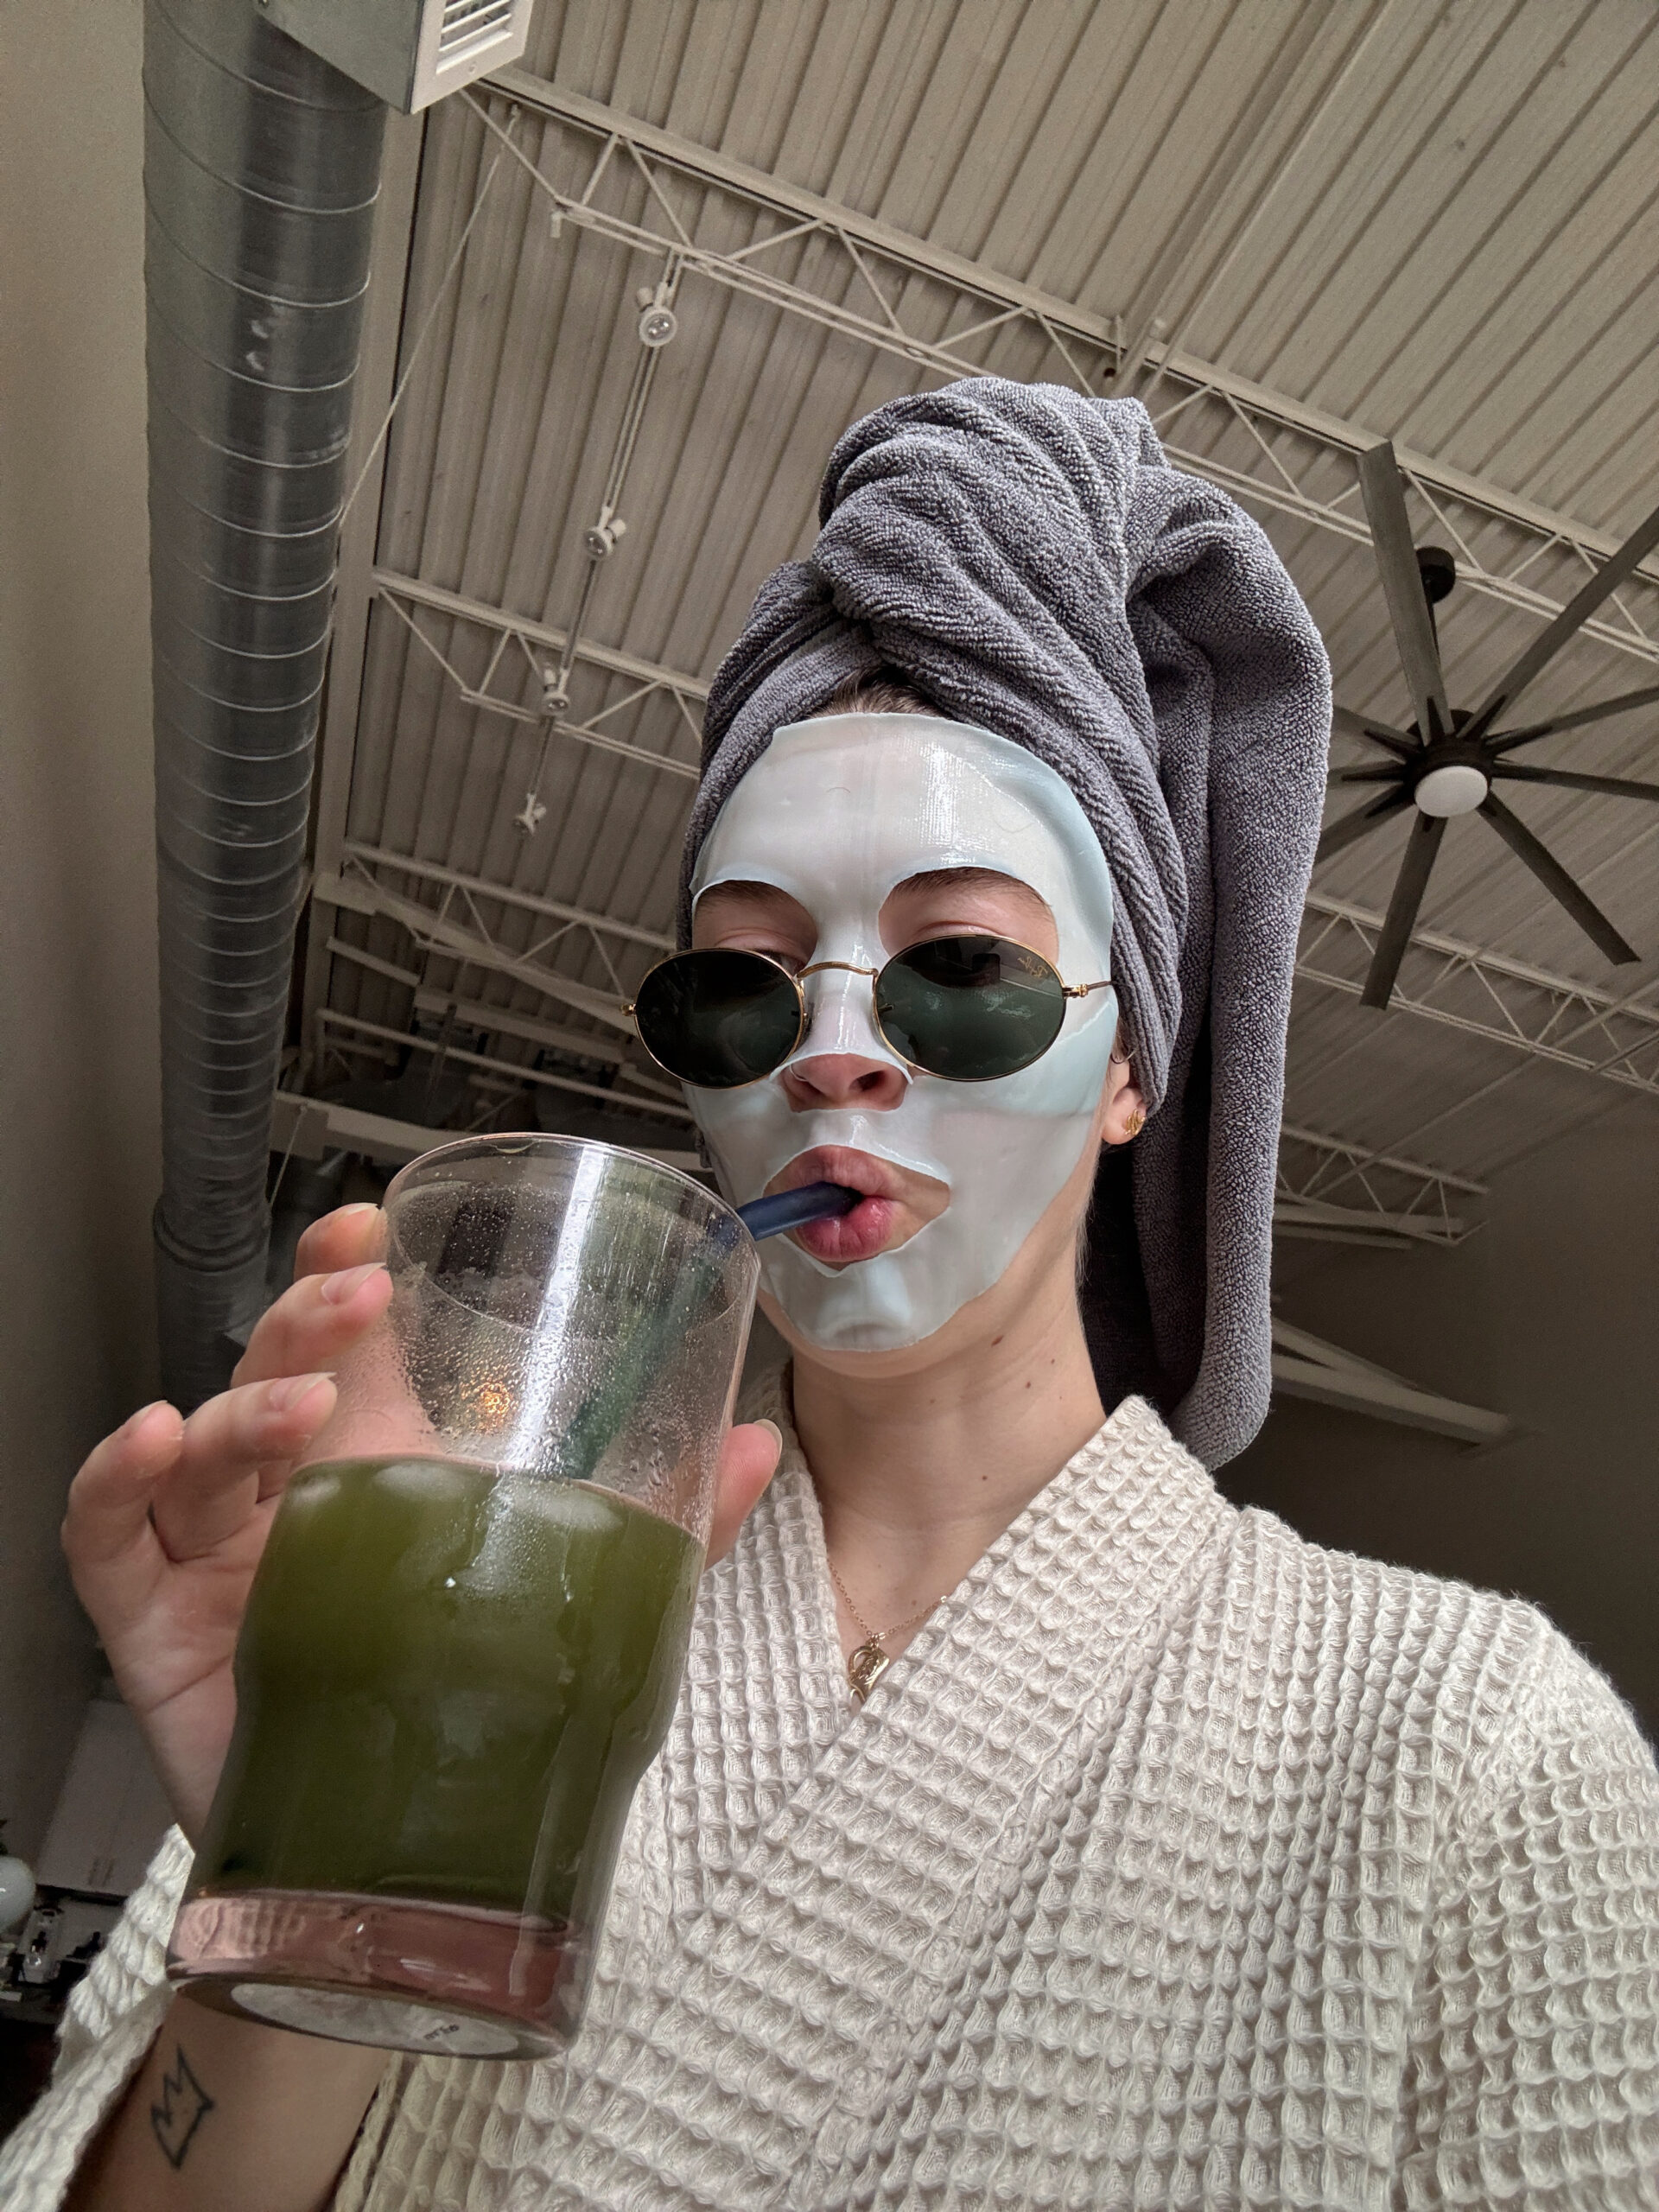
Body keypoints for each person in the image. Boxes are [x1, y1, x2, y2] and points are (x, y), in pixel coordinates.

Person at [5, 382, 1656, 2211]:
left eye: (960, 964)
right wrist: (307, 1866)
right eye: (747, 985)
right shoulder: (448, 1615)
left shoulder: (1477, 1750)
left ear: (1133, 1067)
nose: (835, 1053)